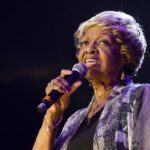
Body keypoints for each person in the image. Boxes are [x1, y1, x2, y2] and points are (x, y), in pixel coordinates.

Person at [33, 11, 150, 150]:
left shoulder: (142, 96)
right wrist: (52, 116)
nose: (89, 49)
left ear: (125, 55)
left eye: (103, 42)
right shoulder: (74, 120)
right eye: (84, 43)